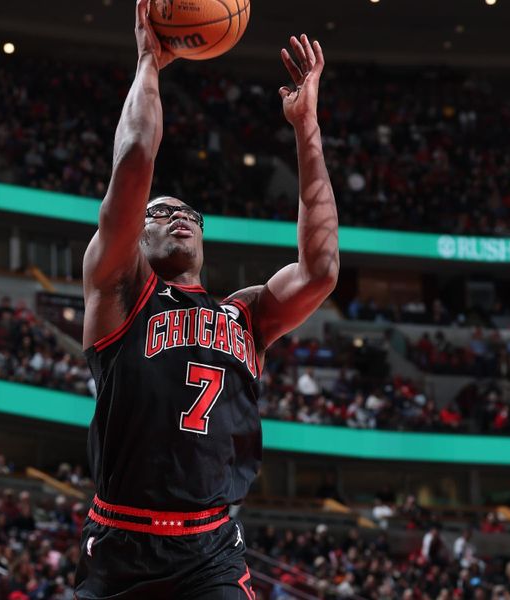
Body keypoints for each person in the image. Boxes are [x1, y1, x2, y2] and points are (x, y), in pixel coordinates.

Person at [75, 2, 338, 598]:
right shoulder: (121, 291)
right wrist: (148, 61)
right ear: (135, 236)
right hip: (122, 544)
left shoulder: (246, 314)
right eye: (160, 212)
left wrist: (306, 129)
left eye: (188, 214)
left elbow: (321, 270)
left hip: (211, 551)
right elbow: (136, 159)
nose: (178, 218)